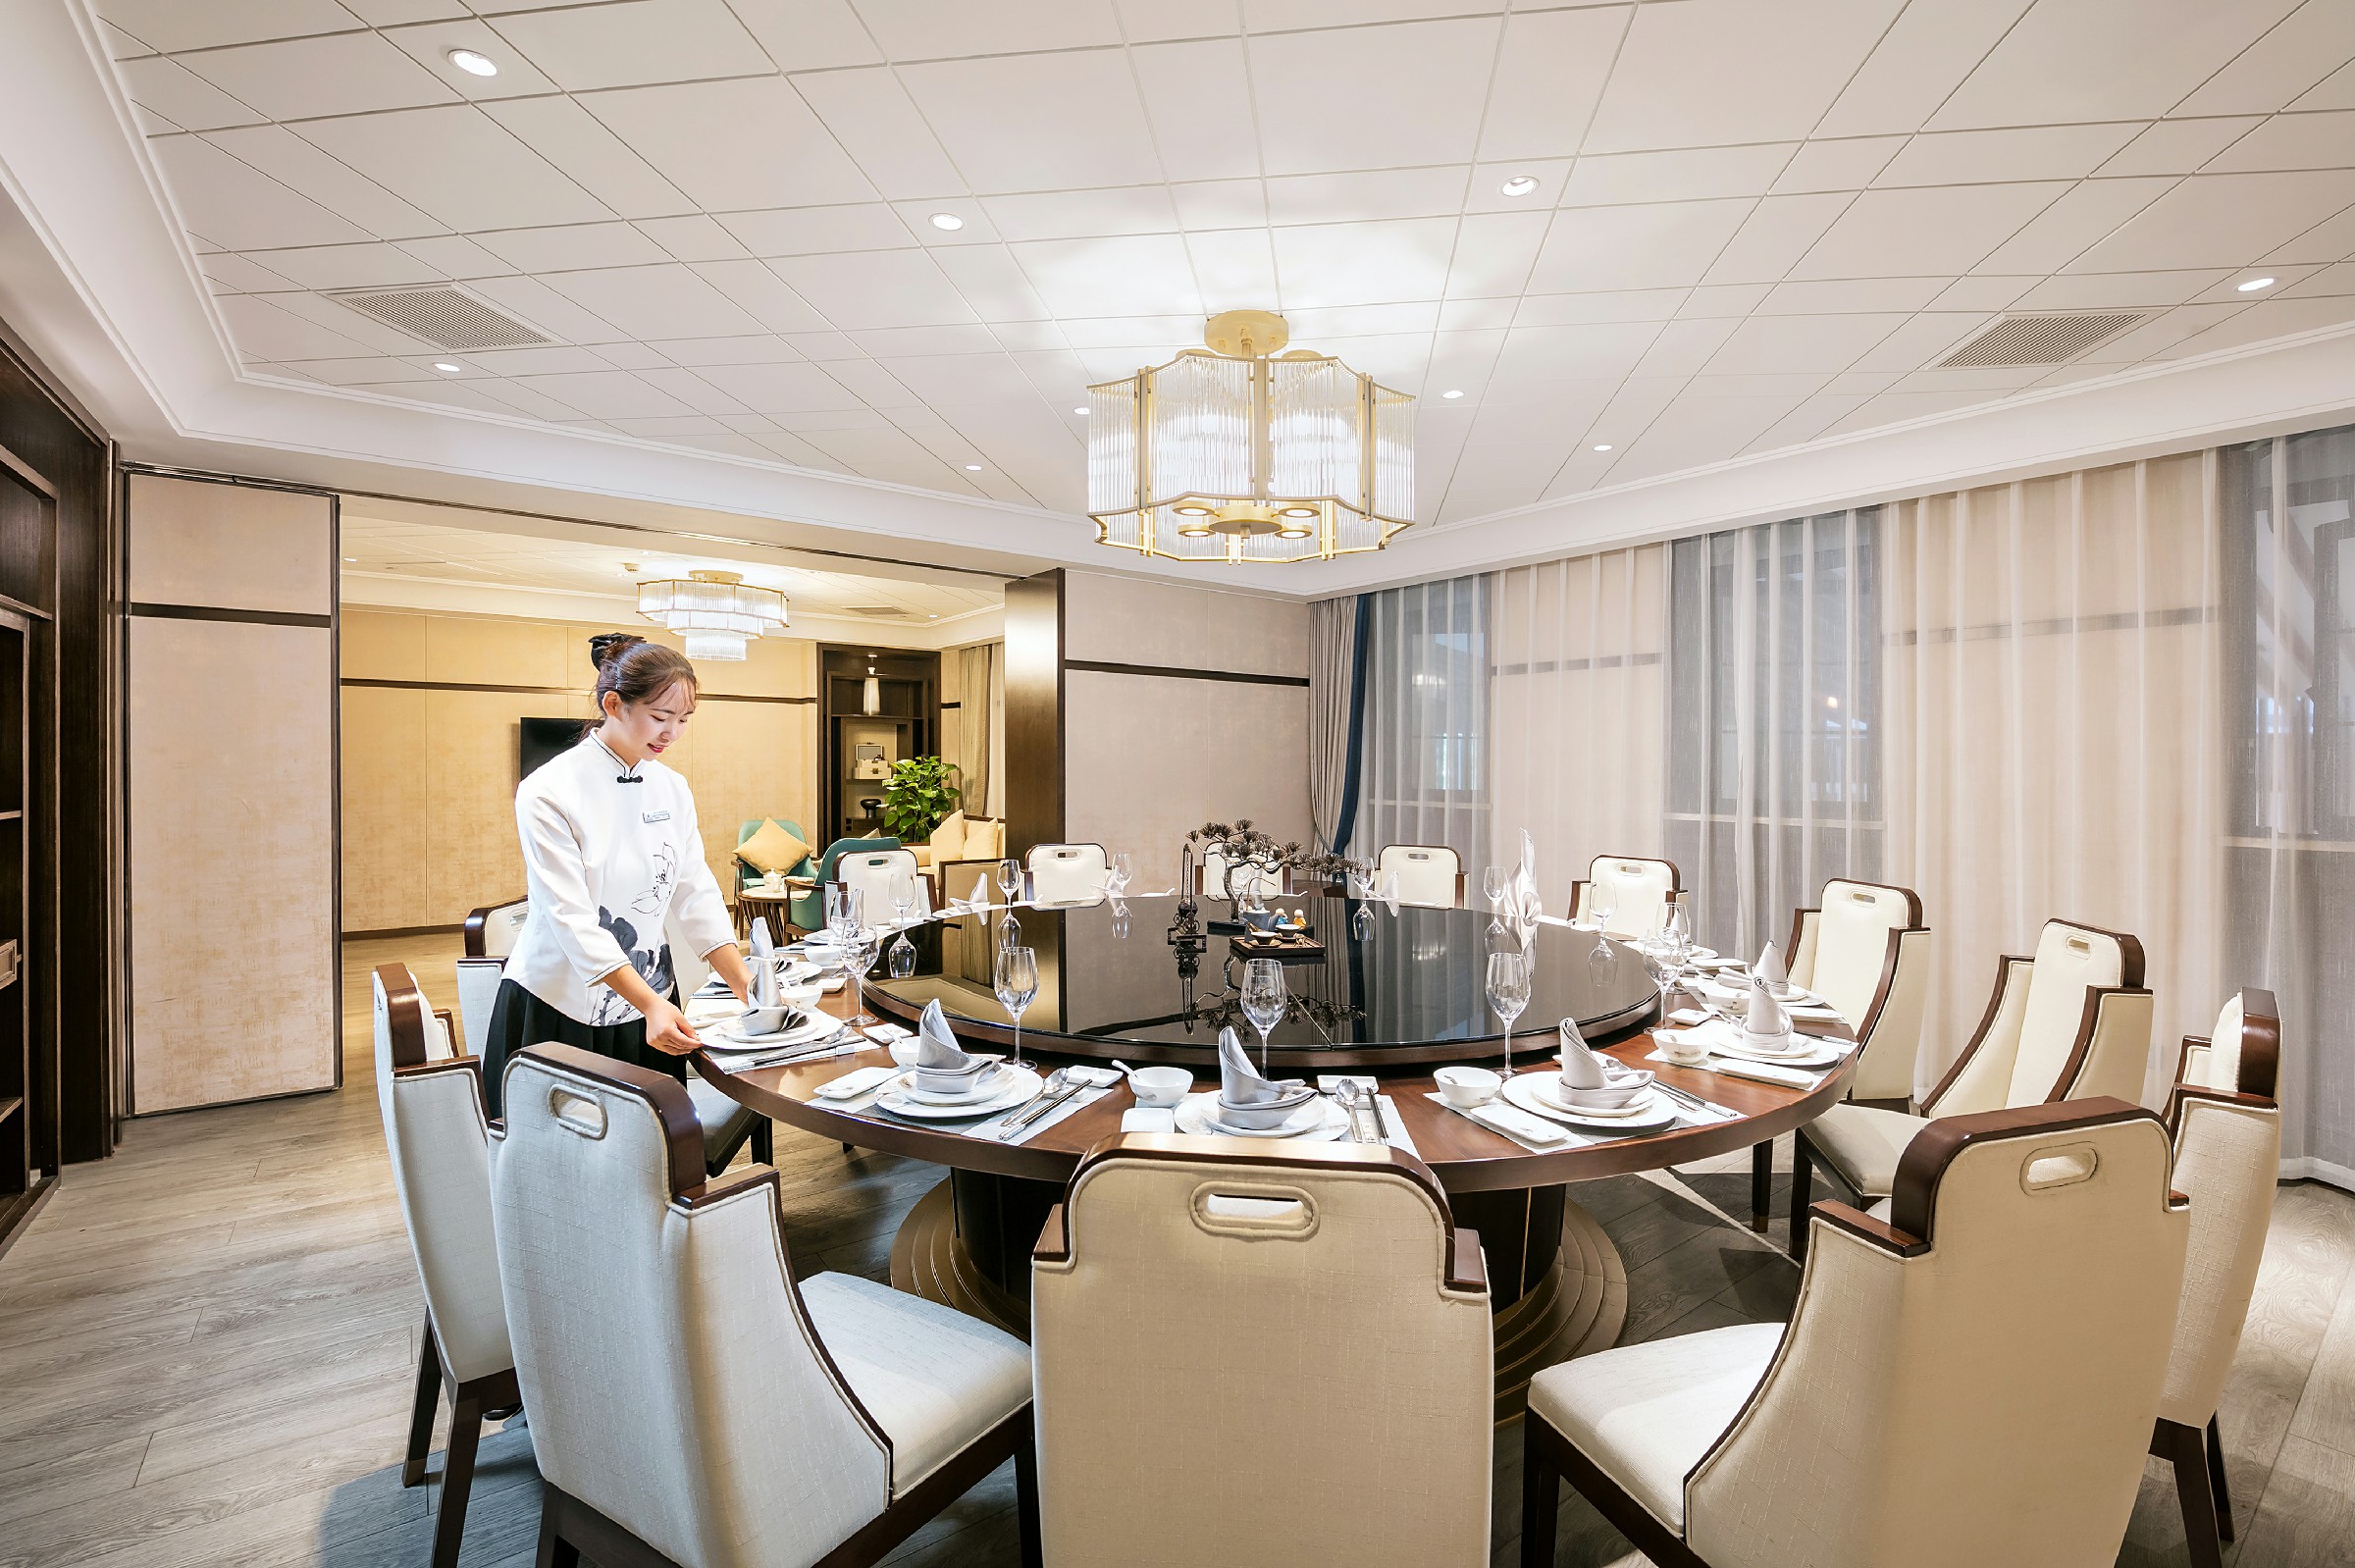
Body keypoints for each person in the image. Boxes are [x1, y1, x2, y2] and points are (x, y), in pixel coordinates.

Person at [480, 633, 753, 1115]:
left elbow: (694, 889)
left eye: (684, 719)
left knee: (654, 1145)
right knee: (563, 1148)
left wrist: (744, 981)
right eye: (660, 717)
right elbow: (571, 918)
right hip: (561, 1004)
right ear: (613, 705)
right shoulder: (548, 790)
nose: (672, 733)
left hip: (651, 1000)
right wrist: (649, 1004)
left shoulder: (672, 787)